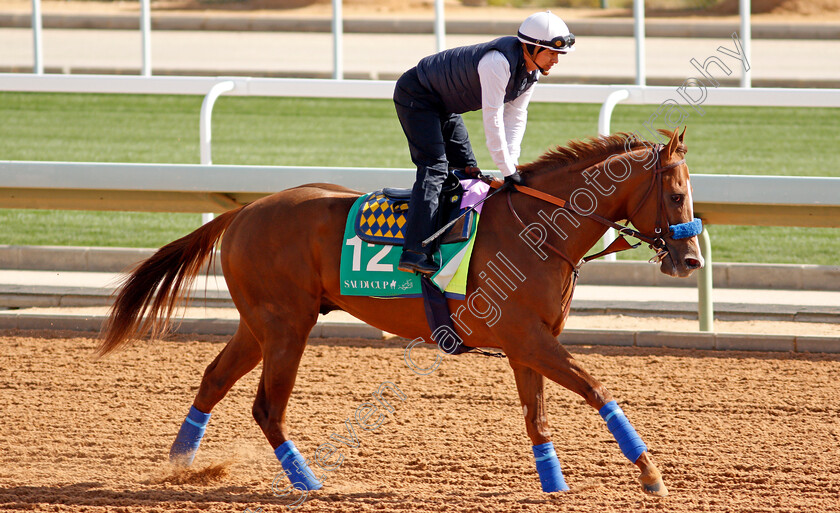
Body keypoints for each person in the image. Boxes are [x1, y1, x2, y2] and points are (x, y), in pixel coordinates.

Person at [393, 11, 575, 275]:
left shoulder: (531, 73)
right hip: (417, 95)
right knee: (434, 168)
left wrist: (511, 166)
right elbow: (494, 119)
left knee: (469, 171)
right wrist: (508, 171)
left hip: (445, 105)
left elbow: (516, 118)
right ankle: (415, 251)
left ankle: (450, 242)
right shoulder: (496, 63)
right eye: (551, 52)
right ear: (531, 47)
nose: (556, 60)